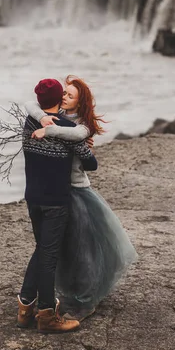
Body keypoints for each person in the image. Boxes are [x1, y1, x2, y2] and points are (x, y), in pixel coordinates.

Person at [25, 75, 137, 321]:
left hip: (76, 191)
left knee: (82, 247)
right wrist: (43, 117)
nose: (64, 97)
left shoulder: (82, 126)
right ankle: (60, 294)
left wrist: (48, 129)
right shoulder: (55, 118)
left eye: (70, 95)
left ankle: (85, 300)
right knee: (61, 249)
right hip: (56, 192)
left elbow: (79, 144)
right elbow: (30, 105)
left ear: (80, 102)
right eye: (64, 93)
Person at [18, 78, 98, 333]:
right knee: (49, 257)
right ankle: (46, 315)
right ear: (57, 99)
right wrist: (83, 146)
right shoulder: (66, 128)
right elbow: (91, 163)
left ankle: (24, 307)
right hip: (55, 202)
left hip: (33, 198)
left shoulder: (30, 121)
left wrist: (43, 120)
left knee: (42, 249)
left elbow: (30, 105)